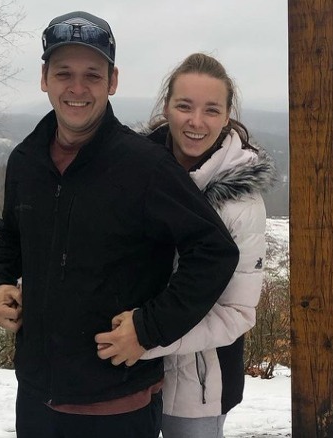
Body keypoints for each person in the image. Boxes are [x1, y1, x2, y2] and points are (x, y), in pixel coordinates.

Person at [0, 11, 239, 438]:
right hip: (36, 399)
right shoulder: (26, 161)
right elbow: (11, 235)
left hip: (118, 407)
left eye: (92, 75)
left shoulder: (145, 167)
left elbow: (214, 252)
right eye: (64, 73)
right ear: (44, 78)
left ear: (112, 81)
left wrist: (149, 328)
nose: (77, 88)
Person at [97, 53, 275, 438]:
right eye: (184, 106)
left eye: (212, 110)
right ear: (166, 108)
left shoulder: (240, 206)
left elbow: (236, 313)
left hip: (198, 386)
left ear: (227, 116)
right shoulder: (133, 172)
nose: (196, 122)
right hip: (125, 376)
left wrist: (146, 337)